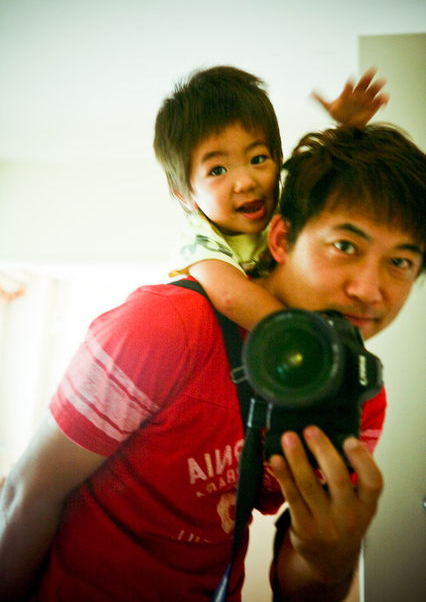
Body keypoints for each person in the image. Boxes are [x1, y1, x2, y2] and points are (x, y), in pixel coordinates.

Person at [0, 121, 424, 601]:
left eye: (400, 262)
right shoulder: (164, 326)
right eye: (345, 246)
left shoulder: (361, 394)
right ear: (280, 239)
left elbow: (299, 583)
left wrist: (332, 559)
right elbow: (27, 492)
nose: (369, 290)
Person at [155, 66, 389, 330]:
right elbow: (231, 297)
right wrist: (310, 337)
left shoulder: (285, 207)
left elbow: (336, 191)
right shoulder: (199, 240)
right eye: (217, 170)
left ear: (278, 159)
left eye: (258, 159)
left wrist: (350, 130)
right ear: (185, 194)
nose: (245, 182)